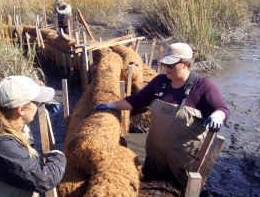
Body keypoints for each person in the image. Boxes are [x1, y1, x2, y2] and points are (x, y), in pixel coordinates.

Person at [95, 43, 228, 187]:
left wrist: (217, 116)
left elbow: (221, 109)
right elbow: (138, 100)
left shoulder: (203, 85)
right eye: (165, 64)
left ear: (186, 64)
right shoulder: (160, 82)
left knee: (178, 191)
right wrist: (113, 105)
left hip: (183, 159)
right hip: (155, 153)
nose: (166, 68)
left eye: (171, 65)